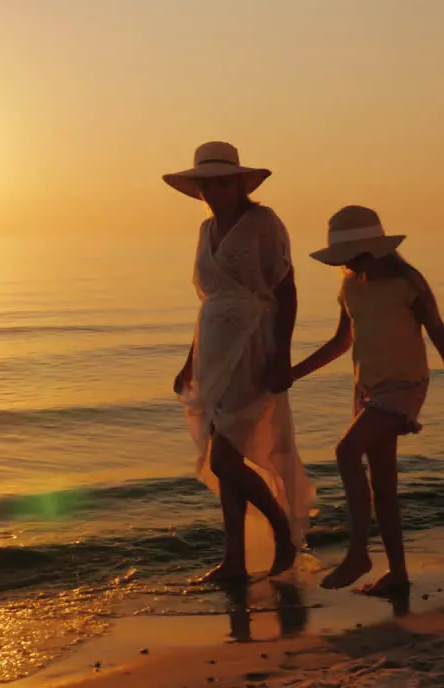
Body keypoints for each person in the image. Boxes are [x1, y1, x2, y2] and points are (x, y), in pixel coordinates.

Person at [292, 205, 444, 594]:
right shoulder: (348, 286)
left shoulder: (407, 283)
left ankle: (358, 551)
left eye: (350, 255)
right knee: (383, 487)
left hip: (404, 386)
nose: (344, 263)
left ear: (372, 250)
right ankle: (397, 574)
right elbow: (341, 342)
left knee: (347, 450)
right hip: (368, 389)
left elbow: (440, 336)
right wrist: (292, 374)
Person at [165, 141, 315, 582]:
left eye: (222, 182)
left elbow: (285, 291)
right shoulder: (205, 228)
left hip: (253, 343)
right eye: (206, 184)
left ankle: (283, 531)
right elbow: (209, 301)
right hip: (213, 344)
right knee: (221, 454)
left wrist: (282, 355)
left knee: (225, 459)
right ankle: (234, 560)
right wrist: (190, 361)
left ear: (239, 183)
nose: (214, 190)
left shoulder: (263, 223)